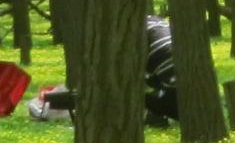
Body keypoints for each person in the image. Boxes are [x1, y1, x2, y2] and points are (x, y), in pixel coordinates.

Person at [35, 16, 182, 127]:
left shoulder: (128, 31)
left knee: (147, 98)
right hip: (174, 60)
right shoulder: (154, 21)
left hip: (165, 61)